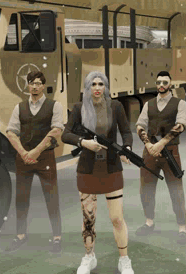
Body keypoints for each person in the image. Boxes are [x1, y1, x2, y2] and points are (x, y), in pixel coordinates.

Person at [62, 71, 135, 274]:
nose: (96, 88)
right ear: (87, 87)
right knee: (88, 218)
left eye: (100, 84)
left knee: (117, 218)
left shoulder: (116, 106)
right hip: (87, 169)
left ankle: (124, 260)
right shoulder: (78, 108)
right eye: (92, 84)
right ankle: (89, 257)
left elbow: (126, 132)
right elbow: (65, 134)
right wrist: (83, 142)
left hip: (111, 168)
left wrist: (126, 148)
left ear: (106, 87)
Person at [1, 70, 63, 254]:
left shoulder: (55, 105)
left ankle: (57, 237)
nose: (34, 87)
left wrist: (35, 151)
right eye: (31, 83)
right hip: (24, 159)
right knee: (21, 198)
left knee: (51, 197)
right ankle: (20, 235)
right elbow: (11, 131)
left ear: (43, 85)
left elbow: (57, 130)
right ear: (27, 85)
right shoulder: (19, 107)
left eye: (38, 83)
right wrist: (23, 153)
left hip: (45, 158)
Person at [134, 71, 186, 245]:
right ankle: (149, 222)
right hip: (150, 152)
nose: (161, 85)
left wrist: (161, 144)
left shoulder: (180, 103)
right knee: (146, 189)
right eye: (158, 82)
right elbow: (140, 125)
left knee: (176, 190)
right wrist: (149, 145)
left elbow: (181, 125)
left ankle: (182, 228)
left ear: (170, 83)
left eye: (165, 82)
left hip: (170, 151)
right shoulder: (149, 104)